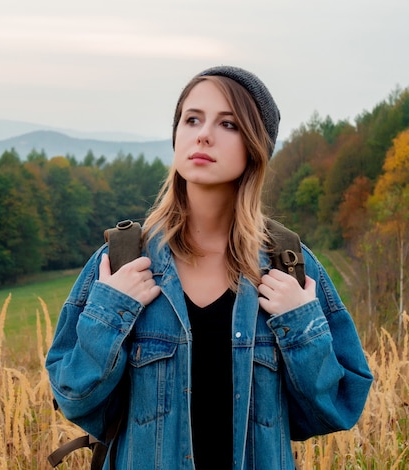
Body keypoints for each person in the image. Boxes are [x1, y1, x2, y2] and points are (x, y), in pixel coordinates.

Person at [45, 65, 373, 469]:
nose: (203, 134)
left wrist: (301, 324)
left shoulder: (289, 267)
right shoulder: (122, 261)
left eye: (229, 124)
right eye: (192, 119)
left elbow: (335, 410)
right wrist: (111, 311)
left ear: (255, 146)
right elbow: (76, 399)